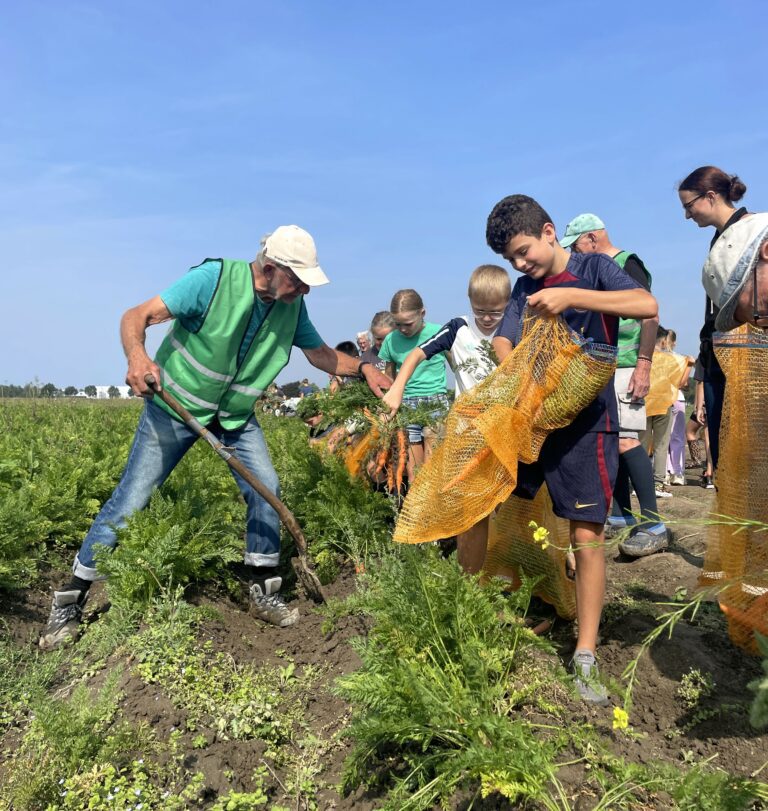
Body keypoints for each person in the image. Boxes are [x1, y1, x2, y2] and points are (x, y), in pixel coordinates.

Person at [39, 225, 391, 650]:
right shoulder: (213, 280)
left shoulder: (291, 307)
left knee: (267, 489)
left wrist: (365, 367)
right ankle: (70, 599)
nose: (304, 290)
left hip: (235, 418)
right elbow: (136, 316)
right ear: (272, 267)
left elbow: (320, 355)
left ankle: (264, 590)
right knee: (131, 499)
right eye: (297, 280)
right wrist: (137, 356)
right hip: (174, 408)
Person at [486, 194, 657, 704]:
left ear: (548, 231)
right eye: (511, 260)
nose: (521, 264)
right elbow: (504, 338)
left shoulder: (594, 267)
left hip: (588, 425)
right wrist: (511, 362)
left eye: (523, 251)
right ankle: (487, 606)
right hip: (536, 423)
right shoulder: (523, 289)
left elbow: (646, 306)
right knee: (491, 504)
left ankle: (585, 651)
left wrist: (574, 298)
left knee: (587, 533)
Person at [382, 264, 512, 573]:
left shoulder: (512, 330)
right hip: (467, 433)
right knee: (470, 506)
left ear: (508, 303)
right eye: (481, 310)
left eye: (496, 312)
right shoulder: (458, 328)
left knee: (507, 505)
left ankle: (503, 565)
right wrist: (397, 388)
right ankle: (470, 574)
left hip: (506, 431)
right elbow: (416, 355)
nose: (488, 319)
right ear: (469, 300)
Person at [560, 213, 666, 558]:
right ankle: (621, 514)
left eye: (575, 247)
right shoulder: (593, 271)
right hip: (601, 366)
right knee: (608, 439)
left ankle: (653, 523)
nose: (574, 255)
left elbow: (650, 314)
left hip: (626, 362)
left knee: (625, 440)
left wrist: (644, 364)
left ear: (592, 238)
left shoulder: (625, 263)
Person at [678, 166, 749, 472]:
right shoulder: (719, 238)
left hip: (748, 354)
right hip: (718, 351)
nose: (687, 215)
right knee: (722, 448)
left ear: (709, 196)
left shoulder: (752, 231)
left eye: (688, 206)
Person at [378, 289, 449, 481]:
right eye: (397, 324)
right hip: (407, 404)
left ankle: (434, 510)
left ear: (422, 313)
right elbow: (389, 376)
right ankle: (415, 509)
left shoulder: (439, 333)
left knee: (433, 468)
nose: (402, 329)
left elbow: (456, 366)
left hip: (435, 402)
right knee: (413, 471)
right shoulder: (391, 340)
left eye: (408, 323)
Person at [665, 330, 689, 486]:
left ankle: (672, 472)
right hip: (668, 399)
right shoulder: (681, 360)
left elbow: (684, 384)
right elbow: (684, 384)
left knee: (671, 438)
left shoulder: (679, 359)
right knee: (669, 438)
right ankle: (672, 473)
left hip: (670, 399)